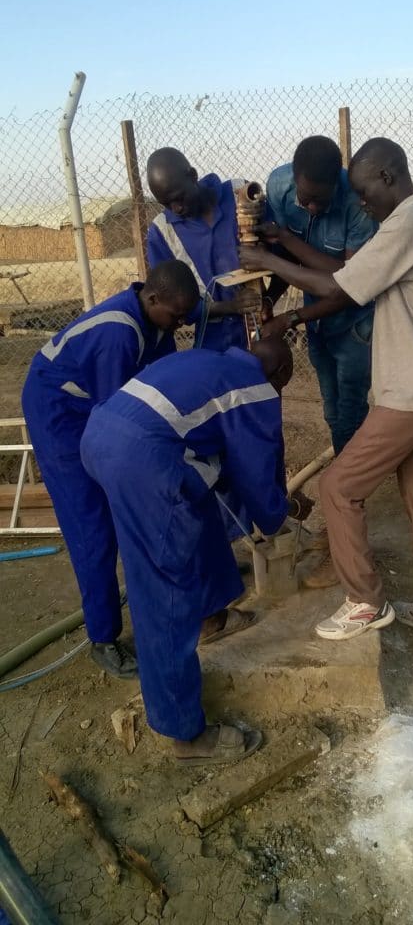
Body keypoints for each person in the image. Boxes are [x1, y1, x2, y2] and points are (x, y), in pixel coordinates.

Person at [240, 138, 413, 643]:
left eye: (364, 193)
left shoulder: (406, 224)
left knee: (337, 488)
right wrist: (280, 243)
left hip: (410, 392)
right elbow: (338, 274)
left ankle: (365, 601)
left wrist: (267, 260)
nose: (361, 204)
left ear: (387, 177)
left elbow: (337, 286)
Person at [80, 338, 313, 764]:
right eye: (283, 385)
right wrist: (286, 508)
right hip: (144, 462)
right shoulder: (256, 388)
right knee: (164, 588)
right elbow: (258, 481)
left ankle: (210, 618)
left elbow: (227, 464)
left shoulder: (212, 359)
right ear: (280, 374)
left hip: (102, 437)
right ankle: (184, 733)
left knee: (199, 507)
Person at [21, 261, 199, 679]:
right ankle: (103, 638)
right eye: (175, 318)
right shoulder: (117, 334)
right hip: (60, 413)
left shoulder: (157, 316)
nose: (179, 325)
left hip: (92, 405)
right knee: (92, 526)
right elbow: (119, 422)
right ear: (152, 299)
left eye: (184, 319)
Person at [259, 136, 378, 458]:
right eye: (307, 199)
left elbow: (349, 283)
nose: (313, 208)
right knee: (332, 409)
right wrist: (269, 298)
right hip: (317, 318)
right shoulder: (279, 185)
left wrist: (291, 317)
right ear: (295, 178)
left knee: (350, 411)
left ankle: (347, 488)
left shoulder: (356, 202)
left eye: (321, 201)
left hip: (356, 321)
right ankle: (348, 474)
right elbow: (290, 260)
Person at [146, 147, 262, 350]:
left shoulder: (240, 194)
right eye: (166, 204)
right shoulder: (162, 231)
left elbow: (276, 252)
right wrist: (230, 307)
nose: (176, 209)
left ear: (192, 176)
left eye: (179, 198)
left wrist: (266, 300)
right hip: (212, 338)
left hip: (257, 325)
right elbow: (170, 299)